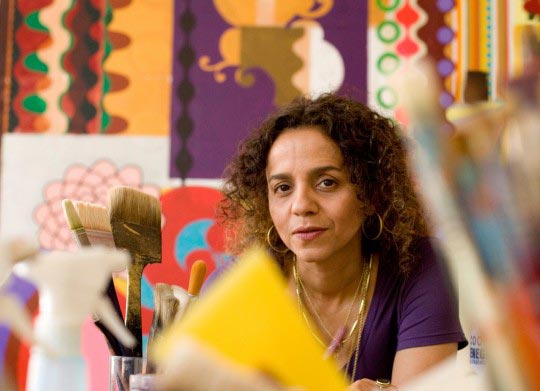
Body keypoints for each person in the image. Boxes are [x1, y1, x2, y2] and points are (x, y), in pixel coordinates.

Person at [211, 93, 467, 390]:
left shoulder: (419, 265)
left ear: (370, 192)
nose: (301, 205)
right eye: (282, 188)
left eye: (327, 183)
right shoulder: (233, 290)